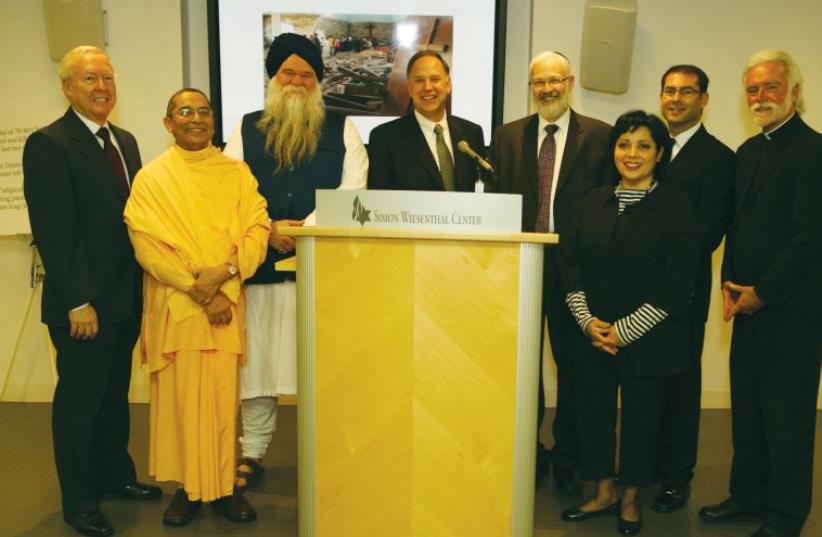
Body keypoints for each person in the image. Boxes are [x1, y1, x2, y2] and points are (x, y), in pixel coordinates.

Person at [22, 45, 160, 537]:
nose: (101, 87)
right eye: (89, 79)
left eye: (107, 77)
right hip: (82, 305)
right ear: (67, 88)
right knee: (80, 404)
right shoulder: (49, 143)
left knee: (113, 398)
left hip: (124, 300)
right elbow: (56, 232)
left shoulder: (124, 140)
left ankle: (113, 477)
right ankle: (79, 503)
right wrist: (78, 300)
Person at [222, 32, 367, 491]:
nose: (298, 81)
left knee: (322, 368)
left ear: (318, 81)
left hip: (320, 272)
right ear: (274, 77)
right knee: (259, 369)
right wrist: (268, 230)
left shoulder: (342, 127)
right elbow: (230, 192)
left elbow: (354, 191)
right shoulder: (245, 128)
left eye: (307, 74)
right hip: (261, 269)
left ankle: (327, 451)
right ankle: (252, 452)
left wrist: (306, 229)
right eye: (289, 72)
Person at [123, 89, 270, 526]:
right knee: (182, 399)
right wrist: (200, 290)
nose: (196, 119)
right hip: (178, 306)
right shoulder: (152, 178)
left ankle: (224, 487)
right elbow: (146, 244)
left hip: (225, 300)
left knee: (224, 399)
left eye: (204, 111)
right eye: (185, 111)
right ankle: (188, 488)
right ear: (168, 123)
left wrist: (224, 275)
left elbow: (257, 227)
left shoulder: (236, 172)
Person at [558, 110, 699, 536]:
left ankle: (631, 500)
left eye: (643, 145)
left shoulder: (676, 205)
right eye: (624, 144)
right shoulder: (592, 200)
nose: (631, 153)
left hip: (649, 338)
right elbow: (570, 264)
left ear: (659, 154)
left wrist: (625, 330)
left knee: (641, 420)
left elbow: (679, 282)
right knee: (594, 415)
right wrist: (587, 323)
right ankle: (602, 491)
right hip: (593, 335)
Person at [699, 50, 822, 537]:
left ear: (794, 91)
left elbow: (809, 239)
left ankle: (786, 517)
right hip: (746, 307)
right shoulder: (748, 152)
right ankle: (748, 497)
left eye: (770, 87)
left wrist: (763, 293)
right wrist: (730, 286)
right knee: (748, 413)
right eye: (753, 89)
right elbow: (738, 227)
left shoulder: (814, 151)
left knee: (787, 421)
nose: (760, 97)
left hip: (793, 311)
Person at [488, 50, 611, 495]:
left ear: (571, 81)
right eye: (539, 82)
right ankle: (527, 450)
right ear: (531, 87)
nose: (548, 89)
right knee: (520, 367)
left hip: (574, 270)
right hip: (520, 266)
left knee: (574, 366)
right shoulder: (506, 137)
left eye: (555, 80)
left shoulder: (600, 137)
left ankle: (568, 455)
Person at [651, 64, 734, 513]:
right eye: (669, 91)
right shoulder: (647, 146)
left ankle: (676, 476)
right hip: (635, 289)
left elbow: (710, 231)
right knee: (645, 380)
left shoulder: (719, 158)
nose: (676, 99)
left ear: (704, 99)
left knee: (681, 382)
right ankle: (646, 466)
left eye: (686, 92)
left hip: (683, 290)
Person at [367, 50, 485, 191]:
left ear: (448, 85)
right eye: (419, 81)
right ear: (410, 89)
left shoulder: (472, 133)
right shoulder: (384, 138)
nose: (428, 87)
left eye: (435, 79)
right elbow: (381, 202)